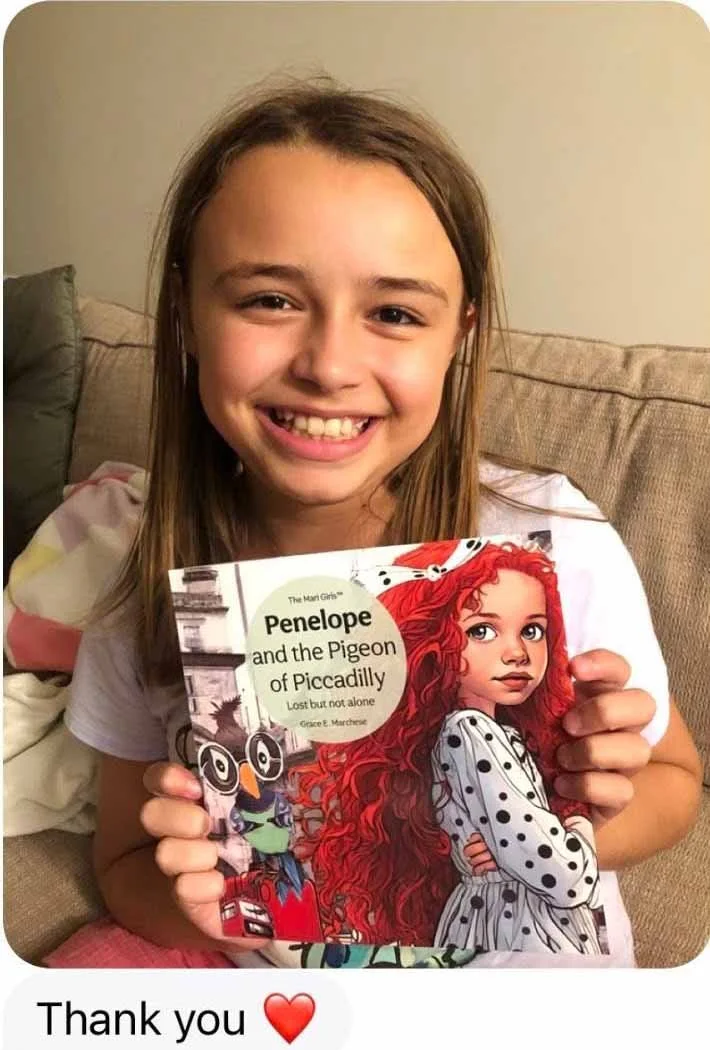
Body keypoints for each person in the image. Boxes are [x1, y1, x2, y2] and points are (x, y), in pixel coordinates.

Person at [48, 79, 701, 970]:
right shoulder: (150, 595)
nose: (329, 366)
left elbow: (675, 781)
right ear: (185, 313)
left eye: (394, 313)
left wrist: (575, 815)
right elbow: (124, 862)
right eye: (269, 299)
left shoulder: (551, 548)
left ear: (458, 333)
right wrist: (202, 898)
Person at [292, 539, 605, 958]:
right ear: (432, 644)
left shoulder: (490, 732)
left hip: (502, 918)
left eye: (532, 630)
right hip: (523, 928)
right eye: (482, 631)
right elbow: (563, 879)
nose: (517, 653)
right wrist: (580, 830)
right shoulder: (471, 730)